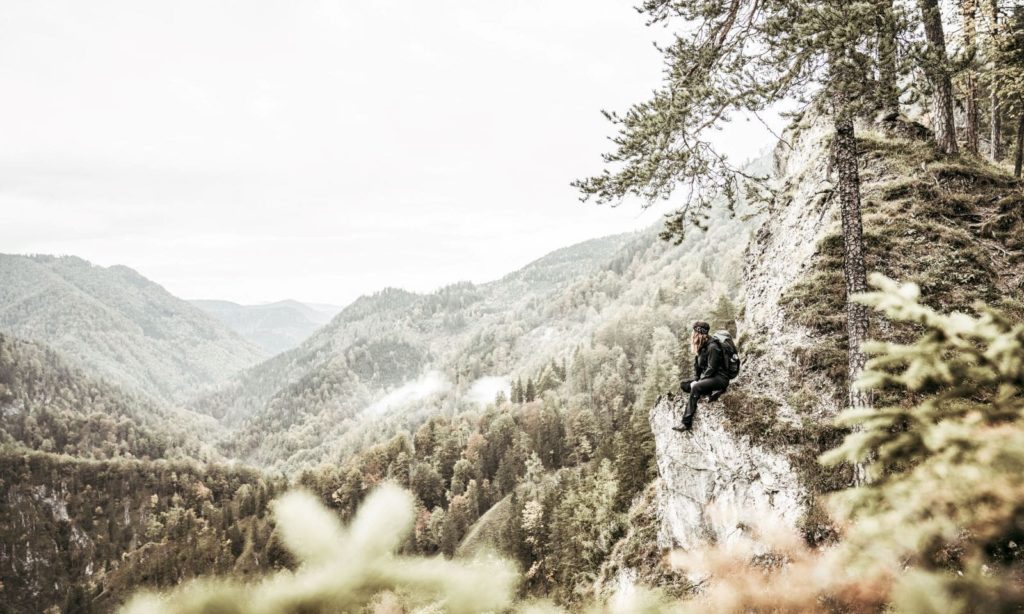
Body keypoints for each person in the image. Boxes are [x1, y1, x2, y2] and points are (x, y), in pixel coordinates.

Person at [672, 321, 729, 432]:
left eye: (694, 332)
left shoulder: (713, 347)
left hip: (720, 378)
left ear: (699, 334)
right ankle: (707, 391)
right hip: (708, 377)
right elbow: (698, 368)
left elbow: (711, 369)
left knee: (695, 387)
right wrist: (695, 379)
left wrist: (697, 383)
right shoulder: (701, 347)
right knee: (684, 384)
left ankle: (685, 422)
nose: (692, 335)